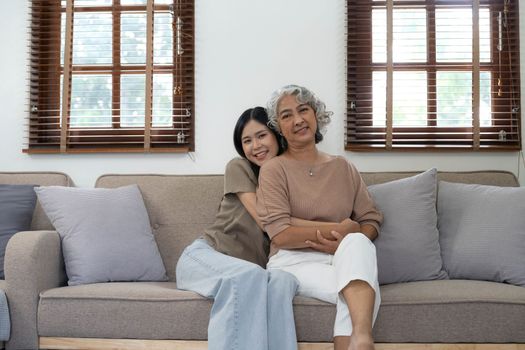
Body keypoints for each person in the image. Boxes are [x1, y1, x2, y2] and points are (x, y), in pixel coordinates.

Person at [256, 85, 383, 350]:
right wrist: (341, 230)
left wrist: (348, 240)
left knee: (359, 242)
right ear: (279, 126)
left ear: (317, 115)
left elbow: (370, 220)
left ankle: (361, 338)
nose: (298, 119)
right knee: (363, 286)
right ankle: (362, 338)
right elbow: (281, 233)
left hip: (342, 258)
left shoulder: (343, 167)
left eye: (303, 110)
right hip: (292, 262)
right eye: (287, 115)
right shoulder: (273, 169)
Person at [175, 107, 299, 350]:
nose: (255, 146)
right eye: (247, 140)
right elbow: (267, 221)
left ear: (276, 135)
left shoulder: (291, 181)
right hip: (204, 257)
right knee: (249, 276)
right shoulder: (239, 167)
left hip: (250, 269)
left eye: (262, 136)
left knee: (284, 280)